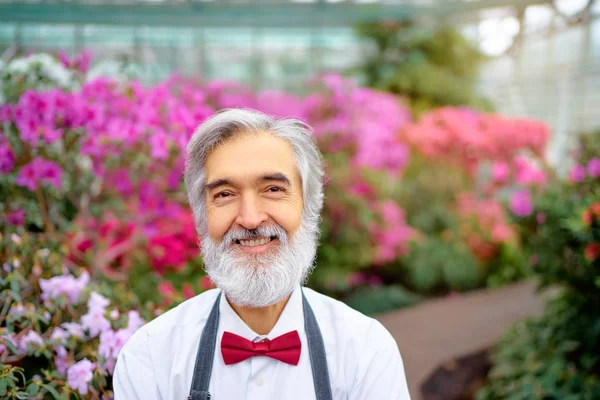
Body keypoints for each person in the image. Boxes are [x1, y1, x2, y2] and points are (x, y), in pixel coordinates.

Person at [113, 108, 411, 399]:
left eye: (272, 189)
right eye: (225, 194)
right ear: (202, 216)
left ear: (308, 205)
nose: (251, 218)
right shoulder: (150, 357)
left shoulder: (366, 351)